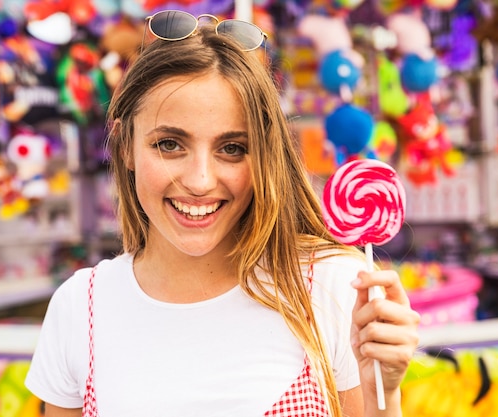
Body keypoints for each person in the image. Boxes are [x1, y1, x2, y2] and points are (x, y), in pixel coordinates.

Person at [25, 10, 420, 417]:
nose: (200, 180)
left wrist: (383, 397)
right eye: (169, 144)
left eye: (232, 149)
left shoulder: (331, 289)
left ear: (262, 155)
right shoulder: (81, 306)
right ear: (125, 146)